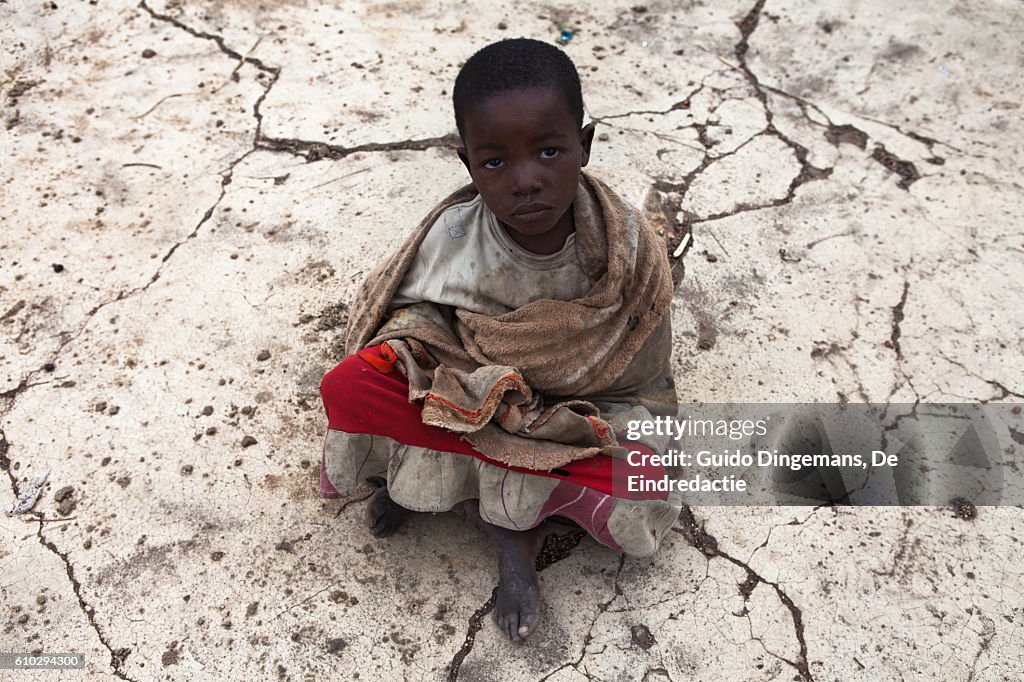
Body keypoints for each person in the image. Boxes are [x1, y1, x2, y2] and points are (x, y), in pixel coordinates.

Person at [319, 38, 681, 642]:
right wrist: (419, 362)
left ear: (583, 146)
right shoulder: (454, 236)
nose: (526, 181)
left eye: (548, 150)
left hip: (579, 414)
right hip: (473, 400)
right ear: (467, 164)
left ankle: (500, 526)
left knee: (644, 477)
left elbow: (642, 373)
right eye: (495, 163)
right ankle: (482, 511)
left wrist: (560, 419)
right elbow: (411, 318)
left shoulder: (626, 250)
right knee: (352, 384)